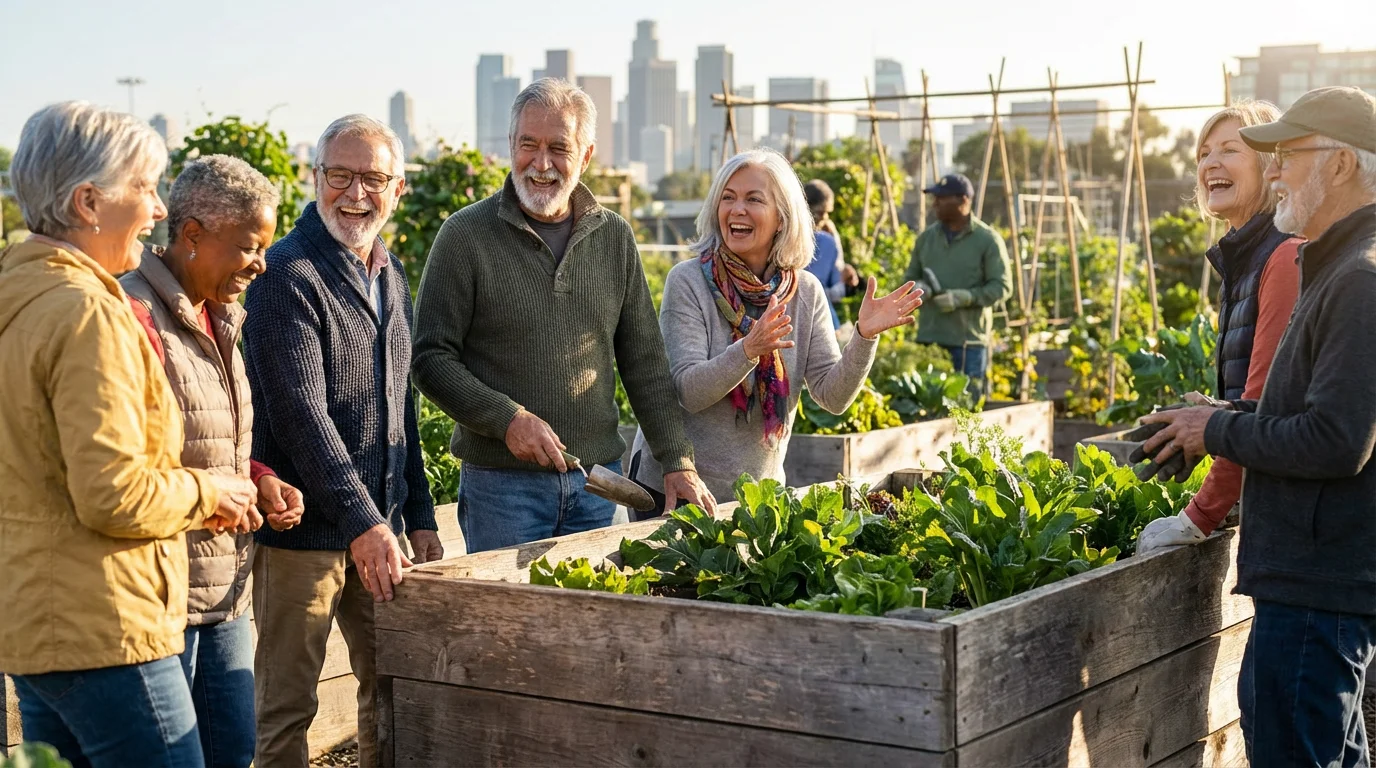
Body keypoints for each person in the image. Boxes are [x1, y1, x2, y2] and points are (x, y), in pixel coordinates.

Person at [0, 102, 256, 768]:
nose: (155, 209)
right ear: (88, 202)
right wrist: (209, 491)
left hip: (34, 621)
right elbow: (113, 494)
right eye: (142, 188)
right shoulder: (89, 313)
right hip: (103, 624)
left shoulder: (19, 298)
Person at [1137, 86, 1376, 768]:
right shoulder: (1335, 267)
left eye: (1286, 157)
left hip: (1315, 584)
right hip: (1314, 582)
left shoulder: (1358, 281)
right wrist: (1220, 415)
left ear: (1337, 166)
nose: (1276, 173)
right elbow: (1299, 410)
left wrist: (1216, 434)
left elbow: (1336, 439)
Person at [412, 78, 714, 547]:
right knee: (505, 621)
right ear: (511, 145)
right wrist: (506, 419)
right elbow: (430, 357)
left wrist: (678, 461)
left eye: (559, 148)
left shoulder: (613, 237)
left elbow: (645, 364)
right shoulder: (465, 236)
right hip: (502, 489)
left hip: (596, 485)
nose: (541, 163)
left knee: (589, 618)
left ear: (586, 156)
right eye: (528, 145)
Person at [242, 115, 441, 768]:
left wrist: (420, 515)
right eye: (341, 176)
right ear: (315, 177)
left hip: (378, 530)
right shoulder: (285, 274)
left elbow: (399, 404)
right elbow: (301, 413)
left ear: (399, 189)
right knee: (287, 711)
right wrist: (364, 522)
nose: (356, 193)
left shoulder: (391, 276)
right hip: (302, 540)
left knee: (388, 692)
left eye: (373, 178)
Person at [121, 155, 306, 768]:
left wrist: (261, 479)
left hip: (224, 589)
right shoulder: (133, 315)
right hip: (162, 596)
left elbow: (216, 441)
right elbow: (129, 462)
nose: (261, 264)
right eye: (249, 247)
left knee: (233, 749)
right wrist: (216, 490)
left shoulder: (222, 316)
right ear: (193, 234)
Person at [628, 149, 923, 501]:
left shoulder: (805, 292)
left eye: (754, 199)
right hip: (675, 490)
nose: (737, 209)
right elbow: (689, 392)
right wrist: (749, 349)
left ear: (781, 218)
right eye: (728, 198)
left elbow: (832, 396)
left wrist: (863, 337)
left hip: (756, 495)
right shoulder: (688, 281)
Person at [1137, 102, 1301, 554]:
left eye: (1230, 150)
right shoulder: (1247, 257)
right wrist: (1212, 414)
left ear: (1270, 165)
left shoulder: (1283, 257)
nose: (1211, 163)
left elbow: (1268, 410)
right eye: (1205, 153)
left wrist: (1201, 514)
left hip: (1297, 527)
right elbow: (1258, 407)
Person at [903, 173, 1012, 388]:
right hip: (930, 339)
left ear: (963, 200)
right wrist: (919, 289)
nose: (935, 204)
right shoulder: (926, 239)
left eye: (942, 198)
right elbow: (909, 279)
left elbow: (1002, 287)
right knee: (927, 410)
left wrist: (966, 297)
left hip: (967, 343)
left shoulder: (987, 240)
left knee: (968, 410)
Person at [802, 179, 859, 329]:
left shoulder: (827, 241)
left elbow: (836, 290)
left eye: (827, 213)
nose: (824, 218)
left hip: (823, 322)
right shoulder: (781, 238)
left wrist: (847, 281)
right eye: (821, 212)